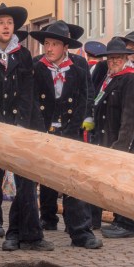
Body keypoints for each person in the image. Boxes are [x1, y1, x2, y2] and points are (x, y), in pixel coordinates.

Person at [0, 4, 50, 255]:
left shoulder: (23, 55)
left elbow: (27, 93)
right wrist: (0, 129)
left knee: (26, 182)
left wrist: (21, 126)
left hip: (20, 127)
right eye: (1, 22)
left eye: (10, 22)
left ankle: (28, 234)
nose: (6, 26)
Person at [30, 20, 100, 248]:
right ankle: (43, 220)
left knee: (73, 180)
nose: (48, 48)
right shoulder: (35, 66)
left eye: (54, 44)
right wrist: (40, 130)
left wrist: (75, 130)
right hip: (43, 130)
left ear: (65, 47)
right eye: (46, 44)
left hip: (71, 130)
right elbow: (30, 101)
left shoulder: (79, 66)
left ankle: (80, 230)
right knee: (40, 177)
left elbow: (85, 99)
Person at [92, 37, 134, 238]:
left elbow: (131, 116)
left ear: (125, 58)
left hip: (123, 142)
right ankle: (119, 220)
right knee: (115, 183)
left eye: (117, 58)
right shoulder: (111, 78)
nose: (113, 61)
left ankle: (126, 224)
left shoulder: (131, 79)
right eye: (110, 58)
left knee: (125, 183)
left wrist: (122, 145)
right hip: (108, 139)